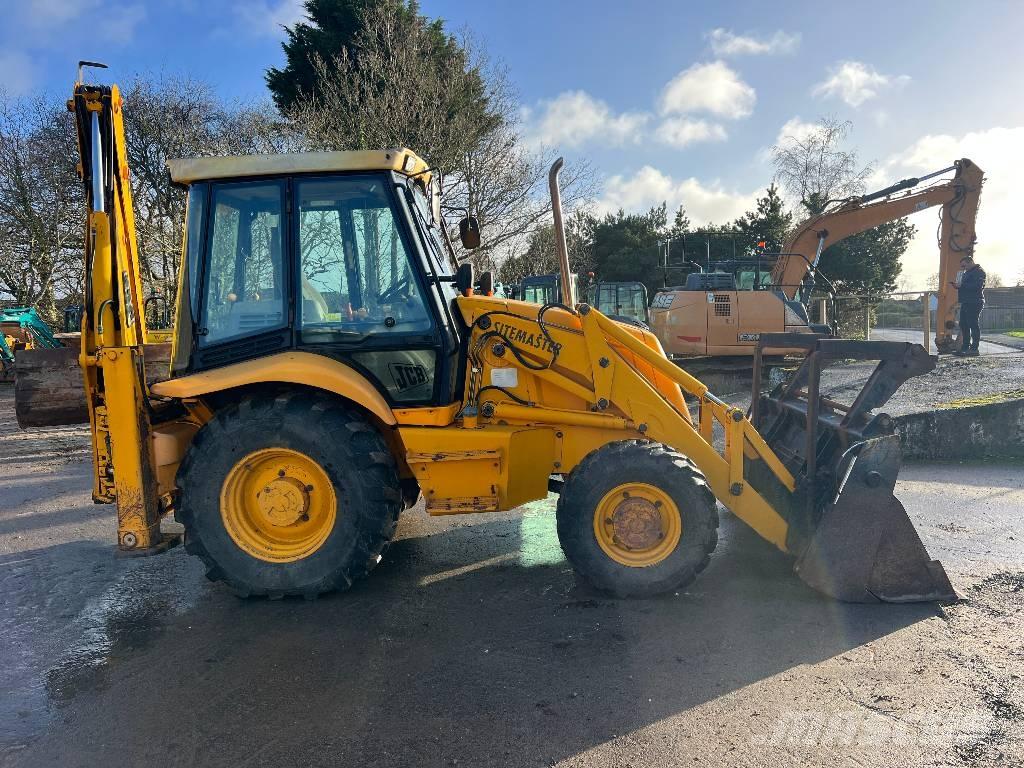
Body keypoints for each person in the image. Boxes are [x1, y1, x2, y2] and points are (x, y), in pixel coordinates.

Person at [953, 255, 986, 356]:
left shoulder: (979, 272)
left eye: (964, 266)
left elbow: (977, 286)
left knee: (973, 324)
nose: (963, 268)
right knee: (963, 324)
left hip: (975, 301)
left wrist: (961, 285)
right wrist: (957, 286)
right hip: (966, 302)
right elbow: (965, 286)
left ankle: (974, 349)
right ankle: (965, 347)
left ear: (970, 262)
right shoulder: (967, 272)